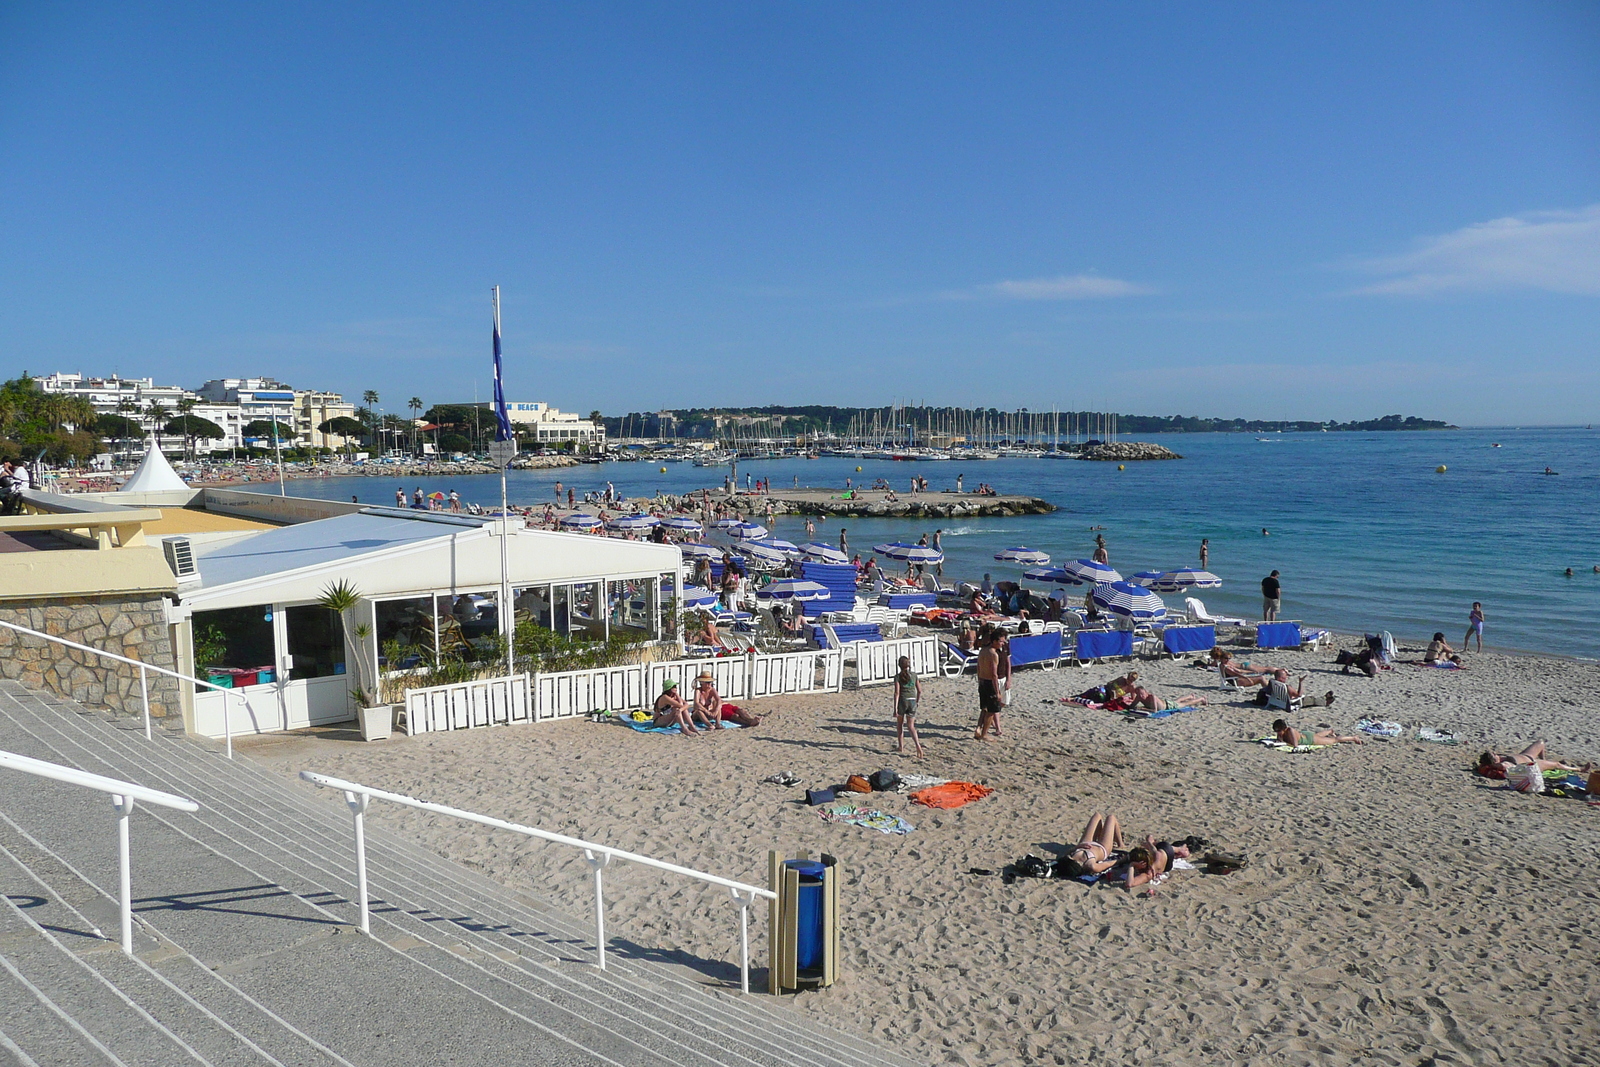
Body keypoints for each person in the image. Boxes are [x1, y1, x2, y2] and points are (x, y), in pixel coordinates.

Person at [1056, 813, 1125, 878]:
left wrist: (1078, 846)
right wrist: (1122, 860)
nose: (1069, 857)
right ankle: (1120, 843)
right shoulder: (1090, 865)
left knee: (1097, 815)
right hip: (1102, 847)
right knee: (1111, 818)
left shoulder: (1069, 858)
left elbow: (1068, 852)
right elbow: (1108, 864)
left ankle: (1102, 834)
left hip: (1086, 843)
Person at [1478, 742, 1589, 775]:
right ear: (1494, 760)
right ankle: (1580, 769)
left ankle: (1545, 760)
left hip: (1526, 755)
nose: (1496, 753)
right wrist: (1496, 765)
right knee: (1557, 764)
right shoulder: (1502, 764)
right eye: (1494, 754)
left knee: (1540, 743)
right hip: (1532, 763)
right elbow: (1507, 769)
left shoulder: (1500, 759)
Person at [891, 656, 924, 756]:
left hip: (902, 701)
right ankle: (918, 746)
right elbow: (919, 690)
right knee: (911, 726)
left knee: (900, 725)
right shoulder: (914, 675)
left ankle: (901, 746)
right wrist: (917, 701)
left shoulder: (897, 677)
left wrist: (895, 708)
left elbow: (897, 693)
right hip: (912, 701)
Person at [975, 635, 1002, 741]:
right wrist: (997, 691)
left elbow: (978, 667)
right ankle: (984, 734)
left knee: (985, 708)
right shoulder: (993, 654)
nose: (1002, 644)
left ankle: (979, 728)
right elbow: (994, 674)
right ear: (994, 641)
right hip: (990, 682)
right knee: (991, 710)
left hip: (982, 681)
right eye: (1001, 641)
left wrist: (979, 680)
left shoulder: (982, 651)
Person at [1266, 668, 1334, 707]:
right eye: (1285, 677)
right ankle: (1326, 702)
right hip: (1293, 702)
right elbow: (1299, 695)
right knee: (1313, 699)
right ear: (1281, 678)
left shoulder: (1272, 683)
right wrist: (1301, 682)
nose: (1286, 678)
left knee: (1312, 698)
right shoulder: (1286, 687)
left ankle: (1325, 696)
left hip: (1277, 700)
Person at [1273, 719, 1363, 746]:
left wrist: (1283, 742)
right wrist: (1279, 738)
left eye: (1279, 731)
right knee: (1318, 735)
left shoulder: (1290, 731)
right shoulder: (1281, 732)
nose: (1278, 733)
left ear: (1284, 729)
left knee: (1333, 740)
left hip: (1309, 739)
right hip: (1305, 735)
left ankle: (1353, 738)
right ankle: (1329, 731)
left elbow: (1295, 745)